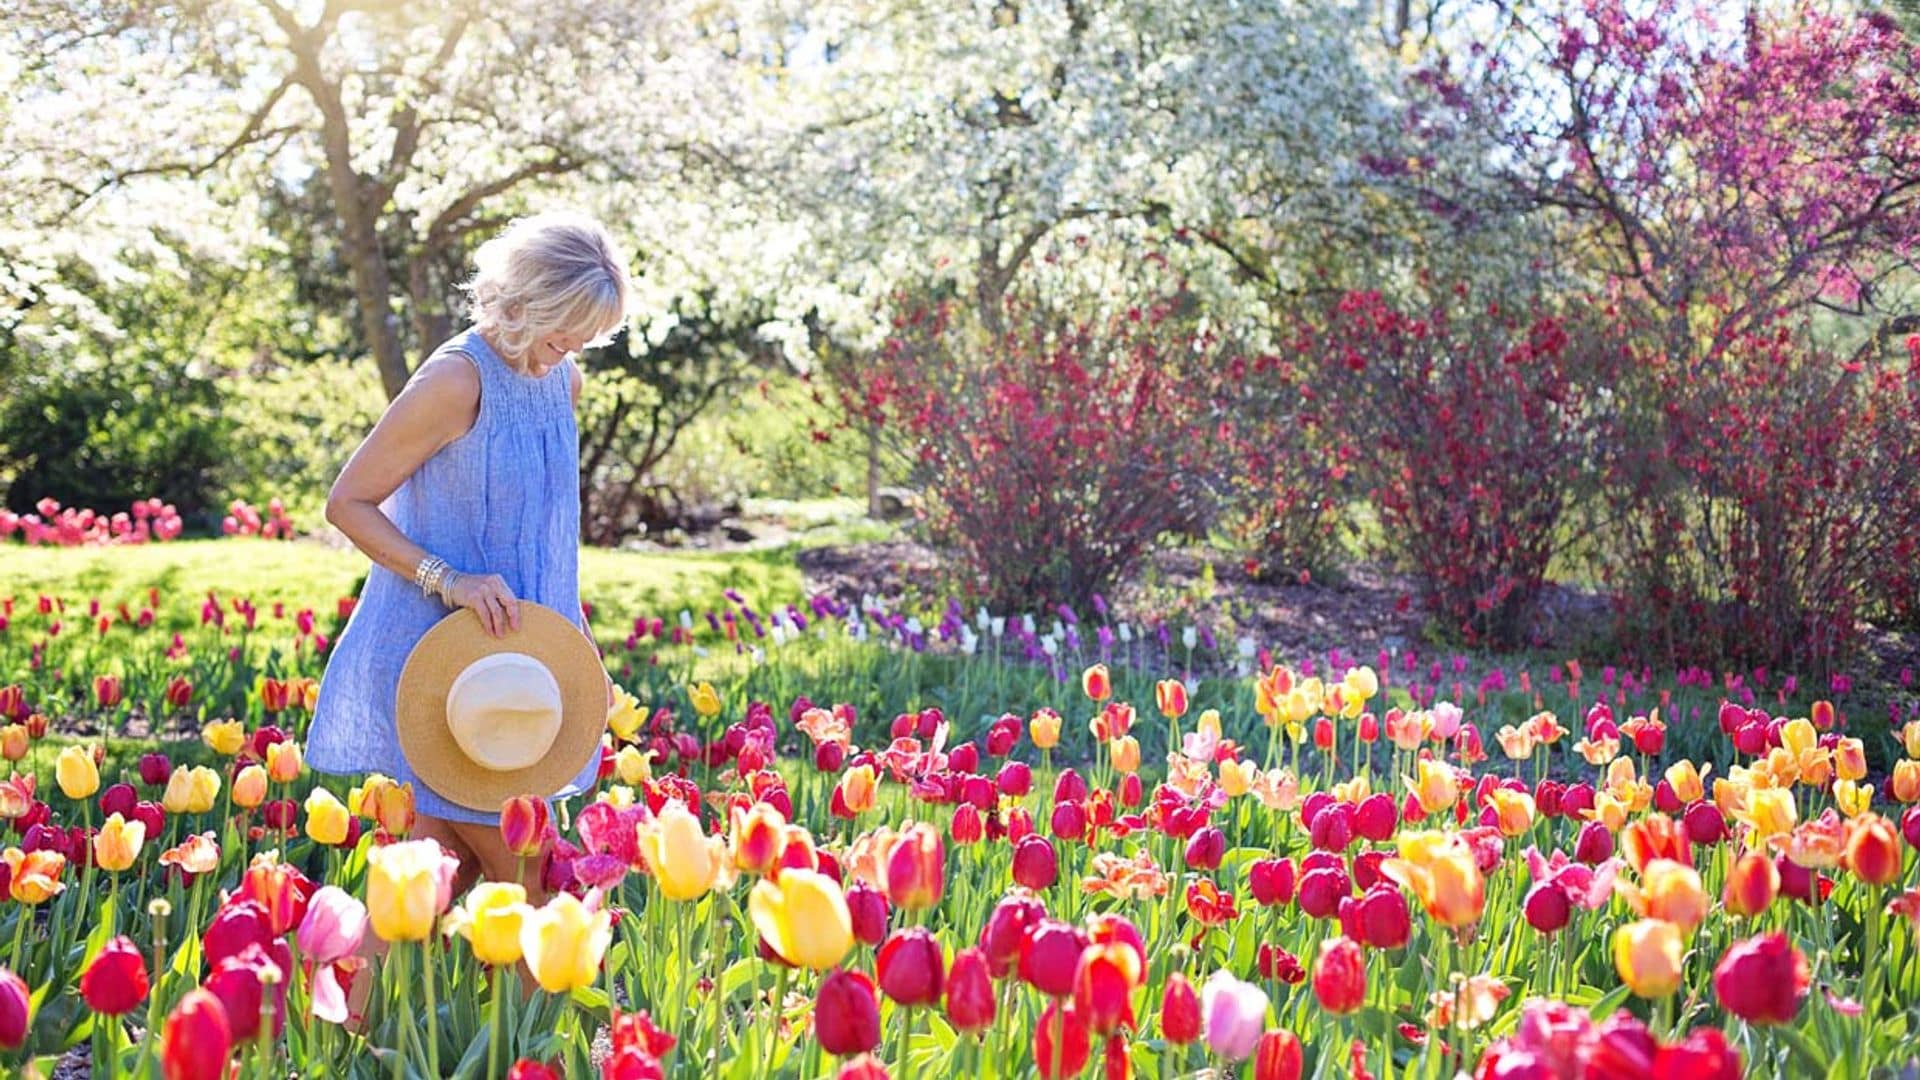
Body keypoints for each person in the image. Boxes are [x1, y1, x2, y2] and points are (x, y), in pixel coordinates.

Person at [309, 210, 630, 900]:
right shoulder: (457, 381)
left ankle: (342, 1010)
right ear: (522, 303)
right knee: (540, 886)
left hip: (522, 663)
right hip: (454, 665)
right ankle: (566, 1014)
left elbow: (547, 539)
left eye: (583, 340)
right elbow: (348, 503)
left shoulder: (562, 382)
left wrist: (578, 645)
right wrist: (447, 580)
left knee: (427, 881)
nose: (566, 353)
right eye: (559, 335)